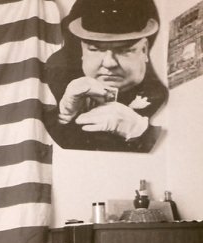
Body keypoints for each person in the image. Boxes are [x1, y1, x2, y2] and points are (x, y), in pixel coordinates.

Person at [44, 0, 168, 152]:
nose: (109, 63)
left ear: (144, 50)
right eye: (95, 49)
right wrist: (63, 117)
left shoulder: (160, 96)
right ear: (82, 52)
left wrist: (141, 131)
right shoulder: (59, 86)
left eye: (123, 50)